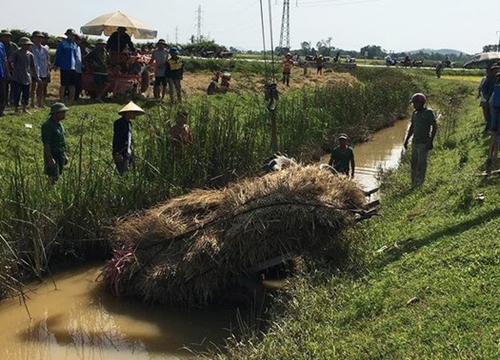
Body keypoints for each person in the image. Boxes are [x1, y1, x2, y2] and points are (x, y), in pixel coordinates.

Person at [403, 93, 438, 188]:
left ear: (421, 103)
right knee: (414, 163)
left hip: (423, 142)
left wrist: (430, 141)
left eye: (415, 103)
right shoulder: (415, 113)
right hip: (415, 142)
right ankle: (413, 182)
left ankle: (419, 183)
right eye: (413, 103)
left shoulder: (428, 113)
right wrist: (406, 140)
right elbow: (412, 127)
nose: (414, 105)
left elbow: (434, 127)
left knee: (421, 164)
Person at [112, 101, 145, 175]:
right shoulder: (119, 123)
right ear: (128, 112)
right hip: (121, 152)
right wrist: (117, 153)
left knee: (128, 173)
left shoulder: (129, 124)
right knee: (123, 173)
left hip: (128, 152)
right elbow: (117, 138)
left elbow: (129, 139)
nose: (135, 115)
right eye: (134, 113)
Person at [8, 37, 39, 114]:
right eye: (25, 45)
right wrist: (11, 70)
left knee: (26, 93)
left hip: (27, 77)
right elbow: (9, 61)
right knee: (17, 93)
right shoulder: (16, 53)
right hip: (17, 77)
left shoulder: (30, 55)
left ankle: (24, 108)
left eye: (28, 45)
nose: (27, 46)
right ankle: (16, 108)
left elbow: (33, 66)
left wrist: (36, 76)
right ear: (22, 45)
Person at [41, 102, 69, 184]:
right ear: (55, 114)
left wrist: (65, 155)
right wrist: (50, 158)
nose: (65, 114)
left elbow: (61, 141)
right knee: (53, 177)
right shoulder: (47, 126)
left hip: (60, 154)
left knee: (58, 175)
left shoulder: (59, 124)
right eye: (62, 112)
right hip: (53, 154)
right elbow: (46, 143)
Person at [54, 29, 79, 104]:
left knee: (72, 84)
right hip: (65, 66)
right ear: (67, 35)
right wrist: (57, 64)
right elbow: (58, 55)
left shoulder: (75, 45)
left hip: (73, 67)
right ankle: (61, 99)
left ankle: (72, 100)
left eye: (73, 35)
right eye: (70, 35)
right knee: (63, 84)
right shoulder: (62, 44)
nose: (72, 37)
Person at [30, 31, 50, 109]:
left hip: (42, 70)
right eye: (37, 37)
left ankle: (40, 103)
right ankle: (32, 103)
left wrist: (48, 70)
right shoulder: (30, 48)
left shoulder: (44, 49)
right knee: (33, 87)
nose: (39, 39)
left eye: (40, 38)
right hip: (33, 70)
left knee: (41, 87)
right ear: (33, 38)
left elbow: (47, 60)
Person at [1, 30, 19, 107]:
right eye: (4, 36)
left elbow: (18, 56)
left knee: (14, 85)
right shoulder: (1, 45)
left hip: (13, 68)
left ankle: (12, 100)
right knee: (4, 86)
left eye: (8, 36)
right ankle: (5, 101)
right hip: (3, 68)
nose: (6, 38)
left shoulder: (14, 46)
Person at [0, 40, 6, 116]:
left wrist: (7, 71)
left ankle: (1, 111)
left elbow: (5, 59)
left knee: (2, 93)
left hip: (1, 73)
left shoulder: (1, 44)